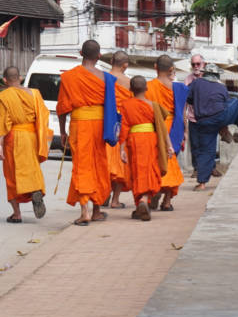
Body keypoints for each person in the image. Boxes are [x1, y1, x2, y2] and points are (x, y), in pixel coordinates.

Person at [56, 40, 111, 226]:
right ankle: (97, 210)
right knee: (99, 165)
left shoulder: (69, 77)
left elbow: (63, 107)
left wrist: (62, 131)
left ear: (81, 53)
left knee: (82, 165)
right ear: (99, 56)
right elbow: (113, 106)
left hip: (79, 124)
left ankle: (85, 211)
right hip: (100, 125)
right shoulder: (106, 78)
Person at [188, 64, 238, 191]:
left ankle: (202, 183)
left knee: (206, 151)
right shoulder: (221, 87)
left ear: (204, 73)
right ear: (217, 75)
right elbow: (224, 104)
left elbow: (189, 99)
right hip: (219, 117)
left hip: (202, 122)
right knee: (235, 103)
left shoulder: (195, 84)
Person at [0, 66, 50, 223]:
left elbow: (2, 122)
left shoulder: (4, 96)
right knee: (31, 168)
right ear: (20, 78)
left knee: (12, 174)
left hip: (14, 137)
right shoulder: (34, 94)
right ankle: (35, 190)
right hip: (32, 136)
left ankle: (17, 214)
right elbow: (44, 115)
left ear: (5, 80)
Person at [119, 76, 174, 221]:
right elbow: (162, 129)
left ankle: (141, 203)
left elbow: (124, 127)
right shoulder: (153, 106)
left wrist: (121, 149)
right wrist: (169, 146)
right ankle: (144, 200)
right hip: (151, 140)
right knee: (150, 170)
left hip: (134, 140)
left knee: (137, 171)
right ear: (146, 89)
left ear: (130, 89)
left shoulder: (126, 105)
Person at [145, 55, 187, 211]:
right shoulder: (179, 88)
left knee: (155, 162)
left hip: (154, 126)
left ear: (155, 67)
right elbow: (182, 114)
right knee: (171, 162)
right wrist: (185, 132)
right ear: (171, 70)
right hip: (173, 128)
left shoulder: (148, 87)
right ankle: (167, 201)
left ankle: (152, 194)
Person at [105, 51, 133, 209]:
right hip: (121, 125)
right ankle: (115, 200)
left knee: (106, 161)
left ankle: (103, 195)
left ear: (110, 61)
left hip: (106, 122)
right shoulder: (128, 83)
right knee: (120, 163)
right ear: (125, 65)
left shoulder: (103, 78)